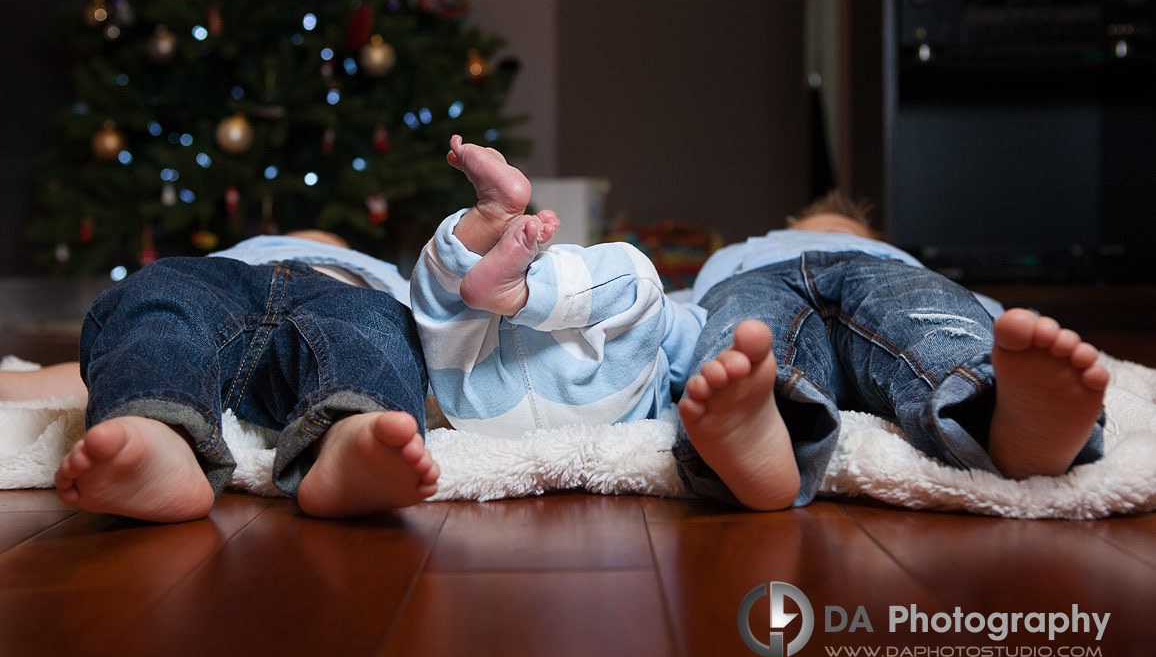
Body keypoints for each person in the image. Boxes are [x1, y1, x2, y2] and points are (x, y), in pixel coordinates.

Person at [0, 231, 439, 523]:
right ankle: (158, 432)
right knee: (158, 304)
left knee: (378, 329)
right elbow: (96, 367)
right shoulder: (239, 257)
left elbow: (437, 359)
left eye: (321, 240)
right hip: (222, 290)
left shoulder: (380, 281)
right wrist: (2, 387)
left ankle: (353, 436)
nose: (304, 243)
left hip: (335, 299)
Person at [673, 193, 1110, 511]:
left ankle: (1004, 413)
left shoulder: (894, 257)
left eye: (842, 228)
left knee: (932, 319)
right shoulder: (744, 251)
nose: (828, 234)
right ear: (789, 228)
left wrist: (1012, 347)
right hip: (762, 278)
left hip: (879, 277)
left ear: (873, 237)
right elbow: (675, 309)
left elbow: (959, 303)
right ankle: (761, 424)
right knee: (745, 333)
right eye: (815, 225)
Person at [411, 135, 706, 435]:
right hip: (580, 412)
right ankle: (518, 286)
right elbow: (699, 344)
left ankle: (500, 238)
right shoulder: (673, 370)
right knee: (644, 295)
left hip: (475, 402)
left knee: (639, 281)